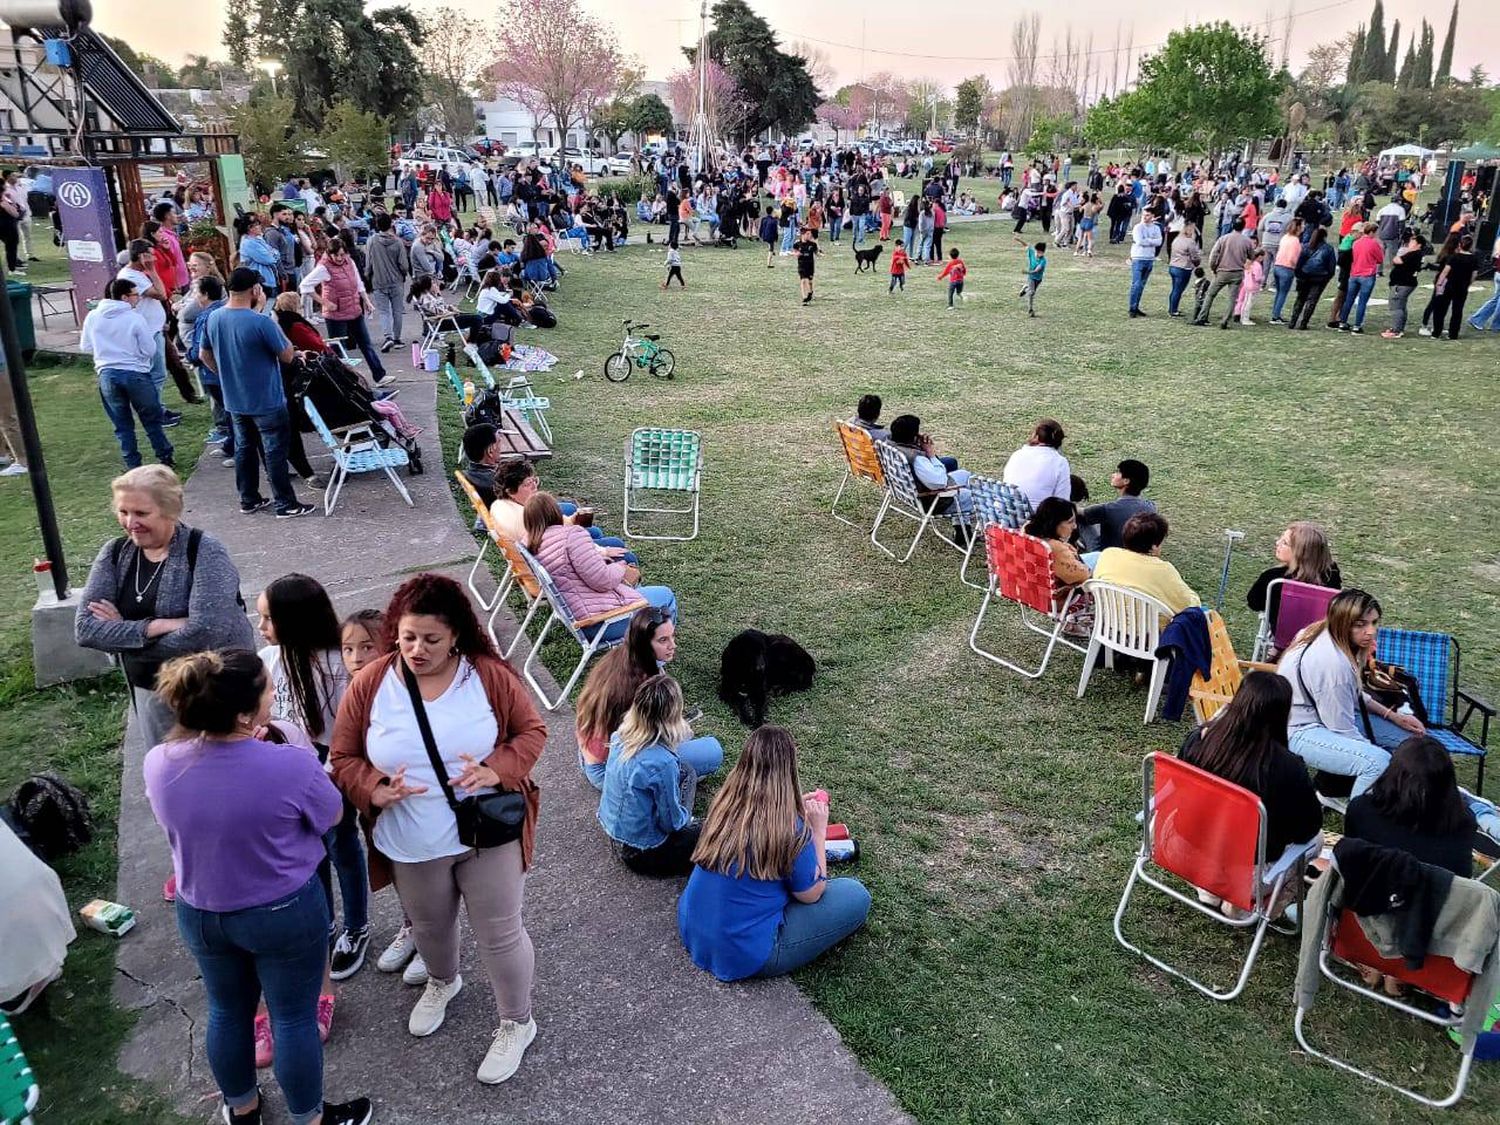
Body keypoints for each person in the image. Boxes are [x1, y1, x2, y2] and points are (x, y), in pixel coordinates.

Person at [330, 574, 547, 1085]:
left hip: (484, 835)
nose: (416, 649)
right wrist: (375, 786)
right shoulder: (371, 684)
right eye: (407, 637)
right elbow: (342, 756)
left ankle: (518, 1022)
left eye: (430, 639)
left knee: (501, 933)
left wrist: (498, 768)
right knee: (429, 926)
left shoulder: (487, 675)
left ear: (455, 636)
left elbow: (532, 731)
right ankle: (443, 982)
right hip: (410, 839)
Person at [144, 650, 372, 1125]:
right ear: (246, 715)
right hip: (283, 911)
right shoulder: (288, 764)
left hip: (201, 911)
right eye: (268, 689)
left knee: (227, 1011)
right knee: (292, 1017)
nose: (274, 694)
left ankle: (242, 1108)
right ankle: (310, 1118)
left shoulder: (160, 763)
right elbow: (330, 816)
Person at [76, 466, 256, 752]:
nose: (130, 522)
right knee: (170, 776)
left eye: (141, 513)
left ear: (170, 510)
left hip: (216, 693)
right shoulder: (113, 553)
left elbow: (205, 634)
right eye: (123, 512)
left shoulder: (205, 551)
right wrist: (155, 626)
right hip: (153, 693)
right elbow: (85, 629)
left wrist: (123, 638)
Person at [678, 724, 871, 981]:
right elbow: (812, 894)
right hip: (742, 953)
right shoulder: (792, 830)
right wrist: (818, 831)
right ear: (789, 770)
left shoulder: (724, 805)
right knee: (856, 895)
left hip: (692, 927)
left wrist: (791, 809)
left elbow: (762, 817)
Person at [256, 576, 368, 982]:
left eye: (268, 618)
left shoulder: (338, 664)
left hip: (330, 766)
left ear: (296, 619)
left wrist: (334, 768)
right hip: (282, 768)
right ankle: (324, 924)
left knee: (341, 843)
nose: (261, 626)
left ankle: (356, 926)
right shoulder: (268, 660)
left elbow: (349, 728)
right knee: (309, 850)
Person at [1178, 671, 1322, 888]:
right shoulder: (1288, 767)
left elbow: (1179, 787)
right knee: (1317, 841)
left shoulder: (1200, 739)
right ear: (1282, 713)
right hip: (1244, 875)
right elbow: (1307, 829)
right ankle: (1243, 904)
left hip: (1183, 851)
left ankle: (1209, 888)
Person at [1278, 589, 1423, 798]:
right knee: (1377, 762)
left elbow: (1352, 695)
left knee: (1413, 741)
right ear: (1342, 623)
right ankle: (1359, 817)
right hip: (1299, 728)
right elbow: (1341, 729)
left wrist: (1393, 717)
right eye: (1361, 624)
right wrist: (1387, 760)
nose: (1371, 631)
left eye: (1374, 622)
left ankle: (1333, 789)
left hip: (1323, 714)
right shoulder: (1334, 665)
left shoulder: (1320, 631)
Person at [200, 269, 315, 519]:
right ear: (255, 290)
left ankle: (248, 498)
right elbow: (286, 355)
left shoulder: (214, 317)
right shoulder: (260, 321)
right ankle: (285, 503)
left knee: (244, 448)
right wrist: (263, 312)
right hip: (266, 399)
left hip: (235, 398)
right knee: (274, 452)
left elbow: (204, 354)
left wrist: (224, 374)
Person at [598, 675, 723, 876]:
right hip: (645, 853)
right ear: (672, 716)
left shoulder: (619, 736)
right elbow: (671, 823)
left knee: (687, 771)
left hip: (616, 833)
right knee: (721, 831)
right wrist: (688, 821)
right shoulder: (662, 763)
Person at [524, 492, 674, 643]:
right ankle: (653, 661)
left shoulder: (530, 543)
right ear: (556, 512)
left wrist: (597, 557)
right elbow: (604, 581)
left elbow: (571, 570)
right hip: (601, 623)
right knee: (666, 595)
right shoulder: (572, 535)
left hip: (577, 614)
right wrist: (620, 566)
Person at [575, 608, 680, 789]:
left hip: (589, 754)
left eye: (672, 637)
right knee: (710, 753)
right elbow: (647, 740)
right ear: (644, 645)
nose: (673, 645)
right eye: (663, 640)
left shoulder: (616, 658)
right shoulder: (645, 687)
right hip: (611, 768)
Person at [1346, 736, 1477, 877]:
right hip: (1437, 896)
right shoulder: (1463, 821)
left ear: (1393, 772)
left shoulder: (1362, 809)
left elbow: (1349, 860)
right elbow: (1462, 878)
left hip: (1368, 891)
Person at [81, 279, 175, 470]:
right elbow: (149, 349)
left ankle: (132, 463)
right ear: (124, 297)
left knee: (122, 423)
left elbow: (85, 346)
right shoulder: (134, 318)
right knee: (151, 419)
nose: (138, 298)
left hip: (107, 374)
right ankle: (164, 455)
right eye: (135, 295)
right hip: (135, 374)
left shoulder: (93, 316)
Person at [300, 239, 389, 383]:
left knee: (366, 343)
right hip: (335, 314)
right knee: (338, 350)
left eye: (342, 254)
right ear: (330, 254)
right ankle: (341, 381)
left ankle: (380, 375)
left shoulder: (350, 262)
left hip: (354, 309)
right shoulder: (323, 267)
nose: (340, 258)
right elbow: (305, 286)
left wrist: (367, 301)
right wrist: (324, 302)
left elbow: (359, 283)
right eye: (336, 256)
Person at [1246, 522, 1342, 648]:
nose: (1277, 543)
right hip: (1317, 638)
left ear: (1300, 553)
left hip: (1284, 638)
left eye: (1285, 543)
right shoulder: (1331, 576)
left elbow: (1254, 603)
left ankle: (1277, 653)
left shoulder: (1273, 578)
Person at [1091, 512, 1200, 616]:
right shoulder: (1163, 570)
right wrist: (1194, 598)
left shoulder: (1108, 555)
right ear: (1154, 546)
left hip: (1111, 625)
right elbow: (1187, 606)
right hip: (1151, 632)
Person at [1022, 497, 1090, 605]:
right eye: (1070, 522)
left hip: (1028, 591)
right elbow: (1084, 577)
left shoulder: (1027, 531)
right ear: (1054, 523)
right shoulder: (1054, 548)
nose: (1075, 526)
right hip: (1056, 599)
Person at [1077, 459, 1155, 553]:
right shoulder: (1151, 507)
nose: (1113, 475)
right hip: (1138, 555)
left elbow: (1080, 512)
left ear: (1126, 481)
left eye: (1118, 473)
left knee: (1080, 518)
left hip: (1108, 556)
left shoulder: (1108, 509)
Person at [1192, 219, 1253, 327]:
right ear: (1243, 227)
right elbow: (1251, 256)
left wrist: (1213, 268)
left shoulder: (1223, 238)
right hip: (1237, 273)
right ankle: (1225, 321)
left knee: (1210, 294)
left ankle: (1202, 317)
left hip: (1222, 271)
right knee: (1232, 299)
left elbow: (1214, 255)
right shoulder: (1247, 241)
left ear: (1233, 226)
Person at [364, 213, 410, 352]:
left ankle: (387, 336)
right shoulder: (397, 242)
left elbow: (368, 263)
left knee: (384, 311)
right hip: (396, 281)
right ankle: (397, 338)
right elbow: (404, 264)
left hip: (378, 280)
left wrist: (368, 276)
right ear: (391, 224)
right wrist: (403, 275)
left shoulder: (372, 241)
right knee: (397, 311)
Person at [1002, 419, 1070, 510]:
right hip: (1037, 519)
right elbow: (1062, 502)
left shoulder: (1017, 454)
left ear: (1036, 436)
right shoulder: (1060, 462)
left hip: (1007, 513)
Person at [1423, 233, 1477, 340]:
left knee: (1441, 309)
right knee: (1457, 311)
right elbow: (1474, 274)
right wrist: (1468, 283)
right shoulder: (1474, 259)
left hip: (1450, 285)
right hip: (1462, 287)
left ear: (1460, 245)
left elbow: (1445, 272)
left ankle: (1436, 332)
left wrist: (1439, 284)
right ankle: (1453, 334)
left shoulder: (1454, 257)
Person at [1335, 222, 1383, 333]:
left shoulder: (1356, 243)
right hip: (1367, 275)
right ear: (1372, 232)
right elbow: (1380, 259)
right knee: (1362, 301)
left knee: (1349, 299)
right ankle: (1357, 325)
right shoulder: (1373, 244)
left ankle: (1343, 322)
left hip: (1354, 274)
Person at [1287, 227, 1336, 331]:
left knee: (1300, 299)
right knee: (1312, 301)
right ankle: (1303, 323)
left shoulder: (1305, 247)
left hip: (1304, 276)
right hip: (1319, 278)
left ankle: (1292, 321)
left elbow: (1299, 263)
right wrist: (1327, 277)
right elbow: (1331, 267)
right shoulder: (1328, 249)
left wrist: (1299, 275)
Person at [1381, 231, 1428, 339]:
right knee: (1401, 306)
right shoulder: (1416, 254)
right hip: (1406, 283)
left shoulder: (1413, 254)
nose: (1410, 243)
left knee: (1396, 306)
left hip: (1402, 283)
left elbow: (1397, 260)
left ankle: (1396, 330)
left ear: (1418, 244)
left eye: (1413, 241)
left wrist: (1404, 253)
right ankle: (1399, 328)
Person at [1267, 217, 1304, 324]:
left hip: (1278, 266)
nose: (1303, 227)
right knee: (1283, 293)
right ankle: (1275, 316)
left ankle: (1275, 313)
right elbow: (1293, 258)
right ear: (1298, 227)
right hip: (1287, 268)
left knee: (1279, 292)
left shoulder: (1285, 237)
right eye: (1302, 225)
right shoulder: (1295, 241)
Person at [1127, 209, 1162, 317]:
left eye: (1147, 215)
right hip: (1138, 257)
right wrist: (1152, 241)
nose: (1145, 217)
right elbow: (1139, 241)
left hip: (1149, 258)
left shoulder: (1156, 228)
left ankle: (1136, 306)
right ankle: (1132, 308)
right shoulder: (1138, 227)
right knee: (1136, 284)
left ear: (1153, 216)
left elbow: (1159, 241)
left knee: (1141, 285)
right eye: (1144, 215)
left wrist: (1147, 240)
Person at [1166, 223, 1201, 318]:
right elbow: (1194, 256)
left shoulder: (1176, 240)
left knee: (1175, 289)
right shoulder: (1190, 242)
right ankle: (1173, 310)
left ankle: (1172, 308)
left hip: (1173, 266)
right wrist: (1197, 263)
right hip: (1183, 268)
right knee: (1178, 290)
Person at [1012, 236, 1046, 317]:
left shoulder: (1043, 261)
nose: (1039, 254)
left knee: (1030, 289)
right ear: (1036, 250)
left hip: (1038, 279)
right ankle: (1030, 310)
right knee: (1031, 293)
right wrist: (1018, 239)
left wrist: (1027, 272)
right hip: (1031, 278)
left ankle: (1024, 288)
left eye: (1041, 253)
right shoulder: (1032, 252)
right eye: (1038, 252)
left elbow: (1037, 270)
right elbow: (1025, 245)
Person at [795, 227, 820, 304]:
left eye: (810, 234)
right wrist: (796, 254)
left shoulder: (813, 244)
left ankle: (810, 292)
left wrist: (821, 254)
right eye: (808, 234)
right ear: (803, 234)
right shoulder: (797, 244)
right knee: (803, 280)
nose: (810, 236)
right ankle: (804, 297)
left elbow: (816, 253)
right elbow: (795, 252)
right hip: (802, 265)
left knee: (810, 281)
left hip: (810, 265)